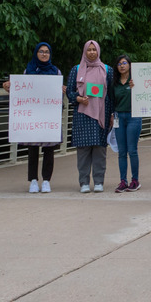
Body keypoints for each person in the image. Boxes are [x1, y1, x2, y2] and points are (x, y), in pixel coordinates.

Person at [3, 43, 64, 193]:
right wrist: (11, 87)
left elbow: (59, 94)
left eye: (47, 52)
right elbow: (21, 91)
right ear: (36, 53)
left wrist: (62, 90)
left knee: (49, 150)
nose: (44, 54)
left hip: (49, 117)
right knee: (33, 150)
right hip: (33, 118)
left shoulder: (55, 72)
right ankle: (33, 180)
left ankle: (46, 180)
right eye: (41, 52)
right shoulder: (28, 70)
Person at [66, 41, 114, 193]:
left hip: (102, 114)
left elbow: (112, 94)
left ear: (98, 51)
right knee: (83, 150)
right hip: (82, 114)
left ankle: (99, 181)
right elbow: (69, 92)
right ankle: (84, 182)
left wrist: (112, 114)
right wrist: (78, 99)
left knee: (100, 149)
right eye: (89, 50)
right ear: (85, 52)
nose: (92, 52)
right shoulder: (77, 69)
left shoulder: (107, 70)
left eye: (94, 49)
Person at [112, 55, 142, 192]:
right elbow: (111, 101)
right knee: (121, 151)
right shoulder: (115, 82)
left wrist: (136, 87)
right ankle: (123, 181)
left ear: (130, 65)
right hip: (119, 117)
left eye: (124, 63)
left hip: (133, 116)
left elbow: (145, 96)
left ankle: (135, 180)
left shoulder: (136, 80)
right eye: (119, 64)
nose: (122, 65)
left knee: (132, 150)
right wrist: (112, 115)